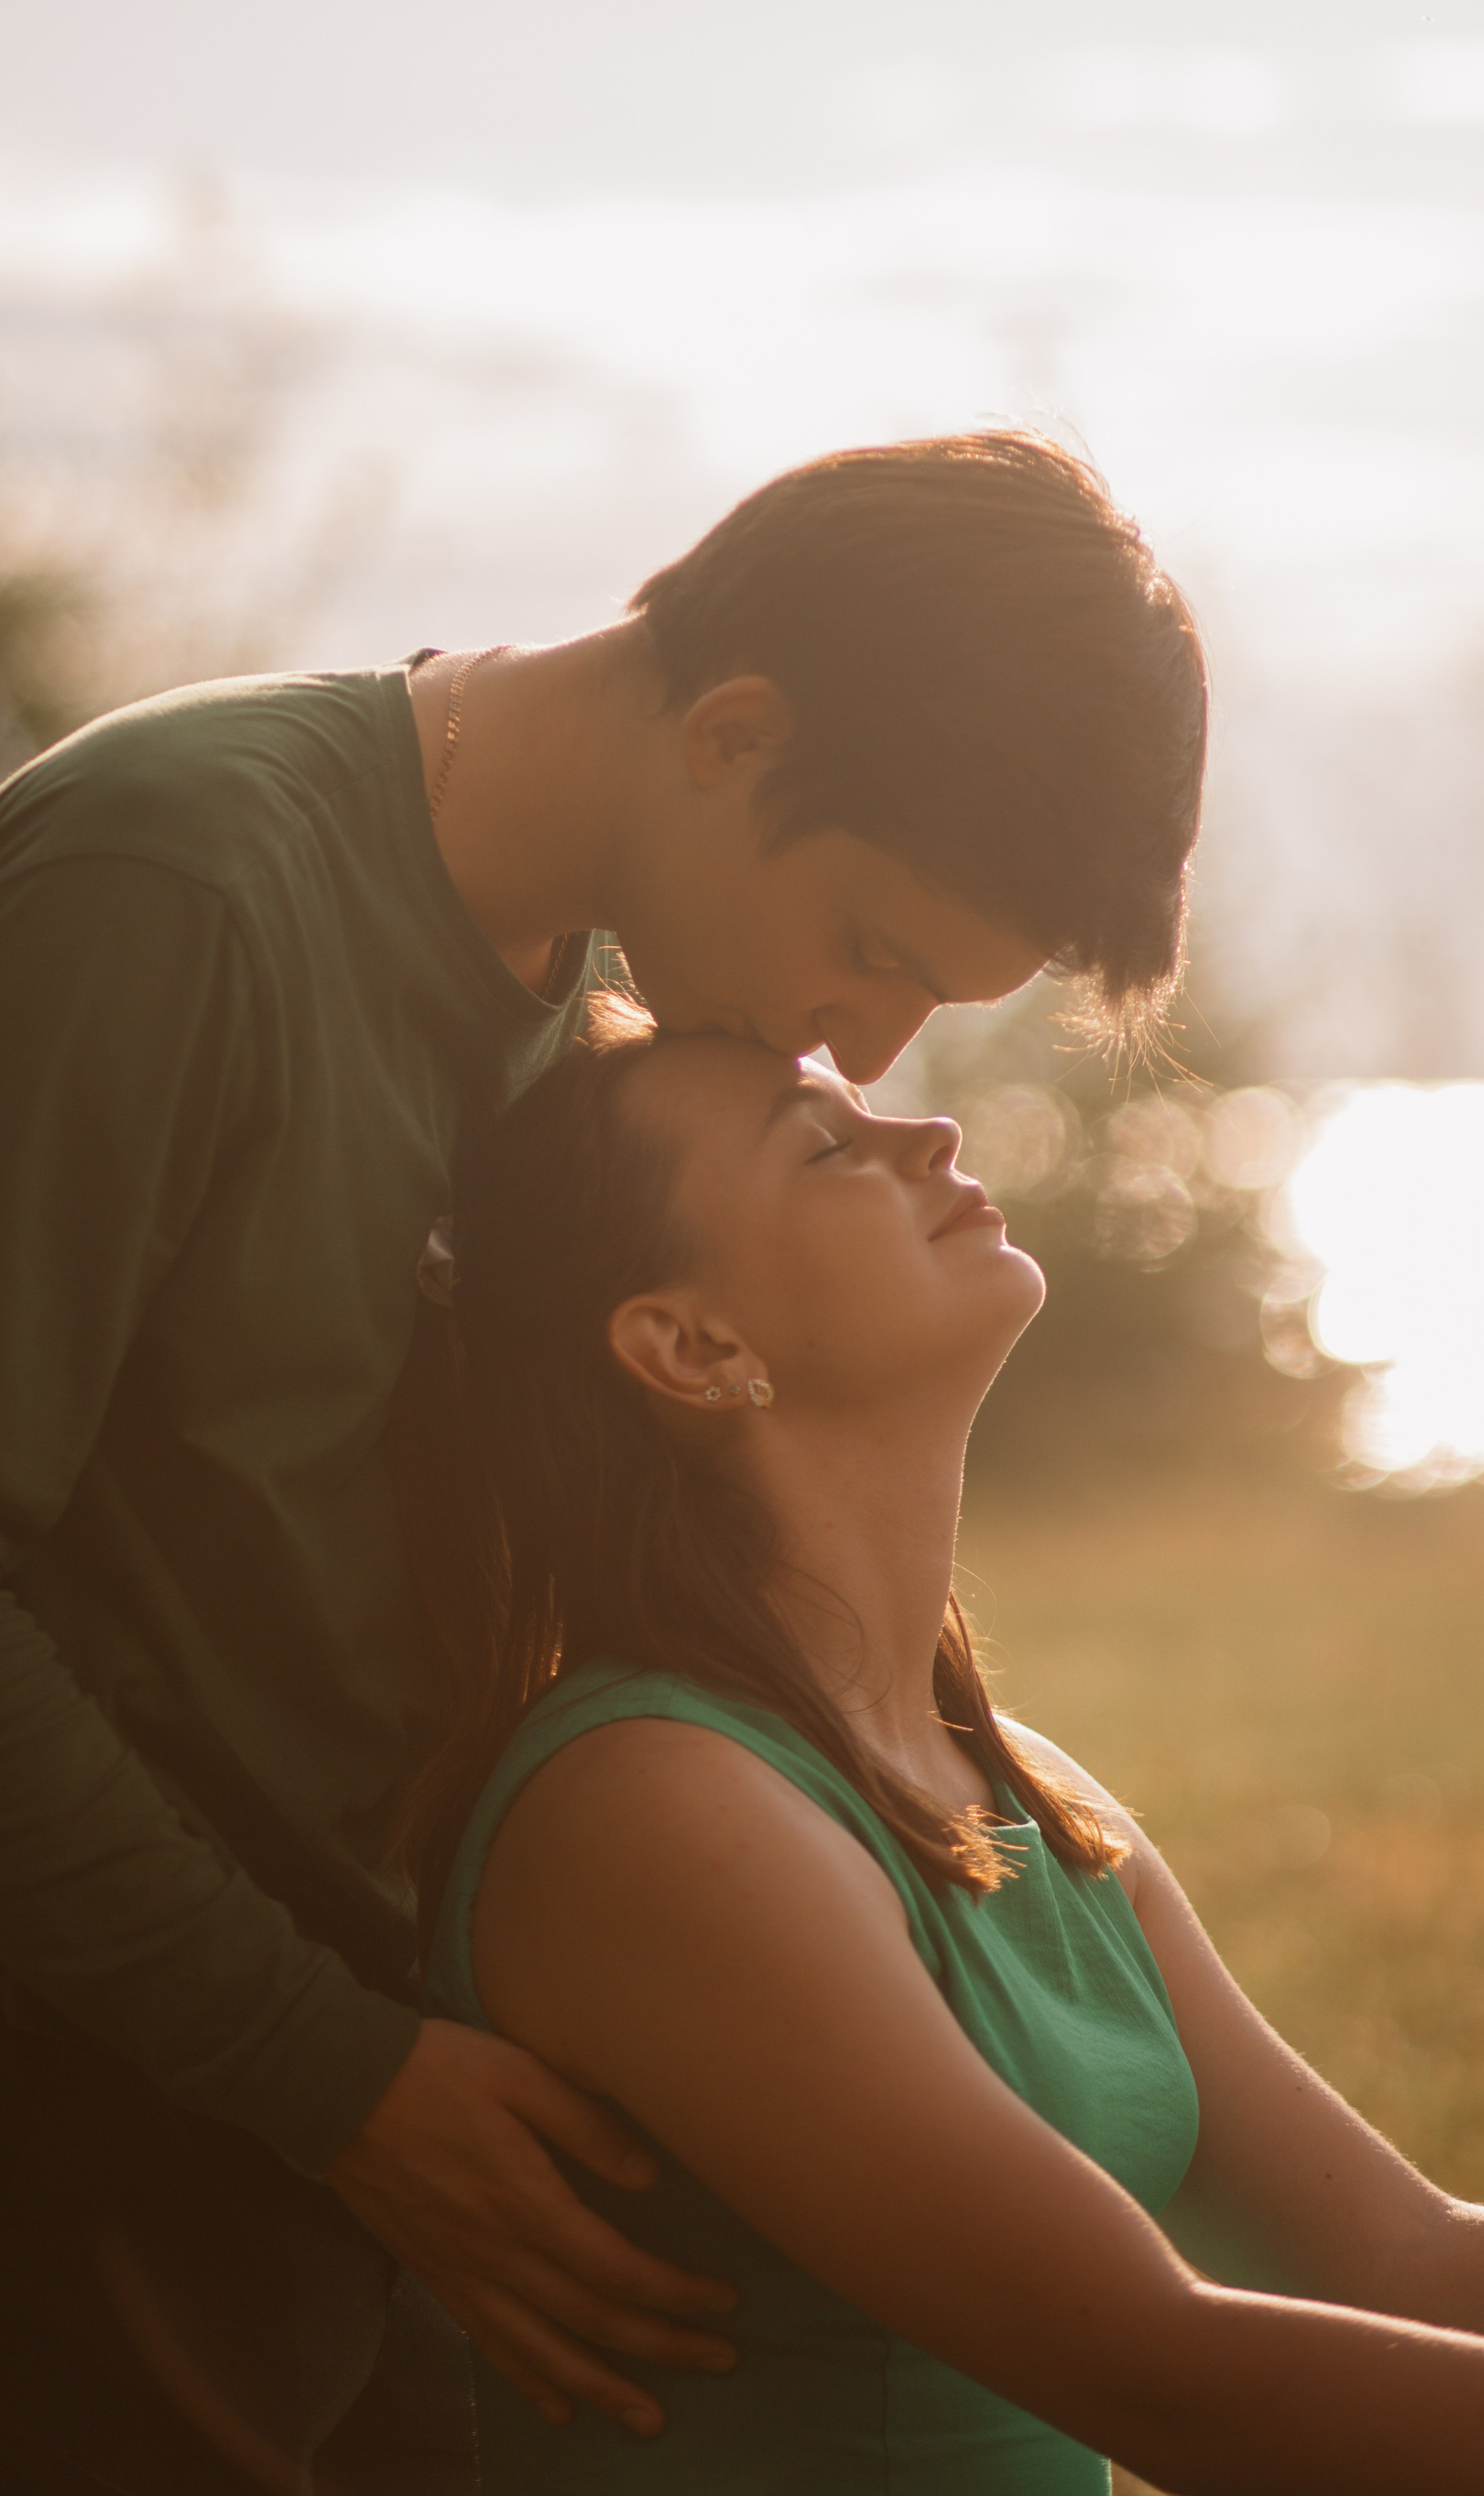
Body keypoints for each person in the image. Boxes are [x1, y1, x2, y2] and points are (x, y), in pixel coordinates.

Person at [0, 432, 1207, 2491]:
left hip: (376, 2136)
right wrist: (327, 2070)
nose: (861, 1048)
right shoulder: (179, 881)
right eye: (876, 945)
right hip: (103, 2129)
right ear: (734, 730)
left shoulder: (582, 1022)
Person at [409, 1005, 1484, 2495]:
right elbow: (1161, 2375)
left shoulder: (1013, 1783)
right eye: (826, 1145)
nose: (929, 1132)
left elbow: (1387, 2249)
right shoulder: (653, 1805)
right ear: (691, 1342)